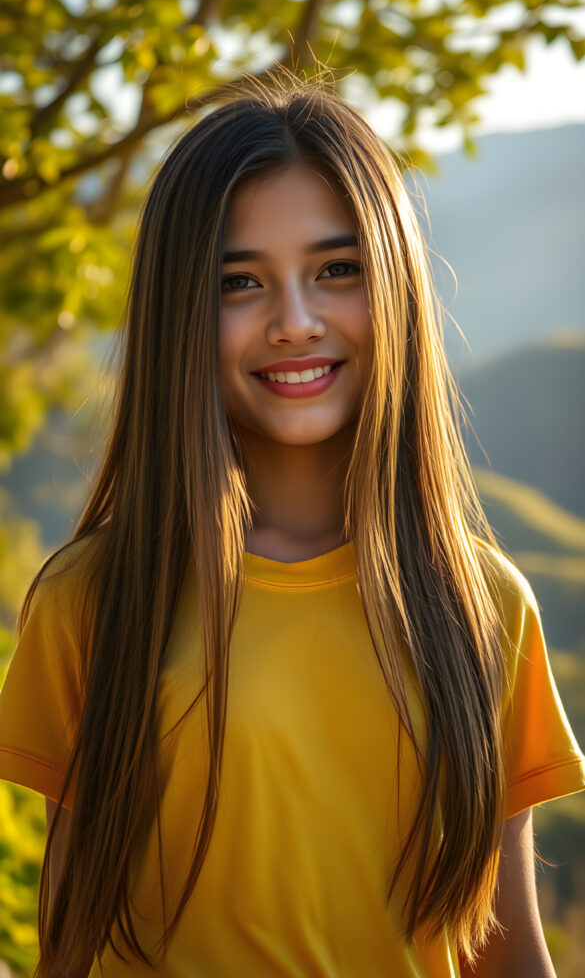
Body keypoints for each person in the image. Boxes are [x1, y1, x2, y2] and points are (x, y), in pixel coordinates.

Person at [0, 71, 583, 978]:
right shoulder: (94, 601)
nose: (295, 322)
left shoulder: (484, 609)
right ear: (179, 313)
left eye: (336, 270)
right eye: (240, 282)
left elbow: (505, 951)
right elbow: (70, 949)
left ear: (391, 289)